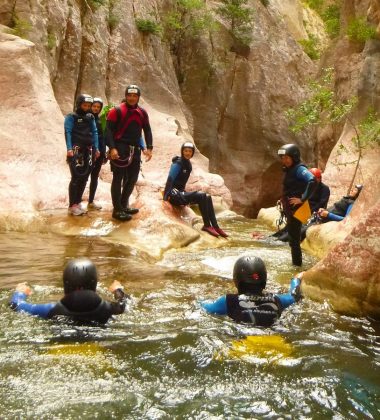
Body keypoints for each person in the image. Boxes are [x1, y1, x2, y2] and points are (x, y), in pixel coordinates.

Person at [9, 258, 127, 324]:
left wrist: (20, 292)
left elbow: (16, 305)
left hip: (59, 349)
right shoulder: (110, 309)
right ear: (94, 283)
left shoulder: (51, 309)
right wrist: (118, 290)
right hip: (97, 350)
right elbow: (124, 302)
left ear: (66, 283)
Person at [200, 255, 302, 326]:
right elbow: (294, 296)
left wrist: (198, 299)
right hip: (277, 341)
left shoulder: (227, 301)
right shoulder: (277, 300)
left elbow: (205, 306)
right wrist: (296, 280)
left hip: (242, 343)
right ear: (264, 280)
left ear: (236, 280)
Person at [106, 84, 153, 221]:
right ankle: (117, 210)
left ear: (138, 97)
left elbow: (147, 130)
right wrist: (112, 148)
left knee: (132, 178)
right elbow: (108, 131)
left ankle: (123, 205)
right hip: (120, 147)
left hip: (135, 148)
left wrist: (149, 147)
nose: (132, 98)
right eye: (129, 95)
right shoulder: (116, 111)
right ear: (126, 96)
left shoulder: (142, 112)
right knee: (118, 178)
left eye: (135, 96)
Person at [163, 142, 228, 238]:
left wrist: (186, 197)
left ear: (192, 153)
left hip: (180, 193)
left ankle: (215, 226)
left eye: (190, 151)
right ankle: (207, 225)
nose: (187, 153)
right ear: (182, 151)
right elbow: (170, 179)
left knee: (207, 196)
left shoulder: (188, 165)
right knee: (201, 195)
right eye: (185, 151)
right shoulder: (178, 163)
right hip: (173, 194)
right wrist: (165, 197)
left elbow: (182, 183)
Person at [277, 144, 316, 266]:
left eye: (287, 158)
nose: (284, 160)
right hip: (290, 208)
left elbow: (312, 180)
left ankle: (297, 266)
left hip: (297, 209)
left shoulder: (299, 169)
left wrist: (302, 199)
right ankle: (296, 264)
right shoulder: (290, 169)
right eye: (282, 158)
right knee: (293, 239)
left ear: (294, 157)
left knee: (294, 240)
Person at [64, 94, 100, 216]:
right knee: (76, 177)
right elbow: (68, 132)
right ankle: (72, 205)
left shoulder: (90, 117)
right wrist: (69, 148)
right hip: (76, 150)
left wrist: (96, 148)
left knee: (85, 177)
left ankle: (78, 202)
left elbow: (94, 132)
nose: (87, 107)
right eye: (85, 105)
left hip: (88, 150)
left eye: (89, 105)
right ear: (79, 104)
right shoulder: (71, 117)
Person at [273, 167, 330, 242]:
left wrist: (310, 212)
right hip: (304, 210)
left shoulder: (325, 189)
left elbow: (321, 204)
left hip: (314, 212)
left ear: (319, 179)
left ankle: (279, 240)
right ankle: (272, 238)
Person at [87, 97, 107, 211]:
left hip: (99, 153)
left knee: (94, 177)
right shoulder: (86, 118)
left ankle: (90, 202)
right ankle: (76, 203)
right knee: (83, 177)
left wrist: (103, 153)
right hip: (88, 152)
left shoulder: (99, 120)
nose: (95, 108)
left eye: (98, 107)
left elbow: (102, 138)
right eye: (94, 106)